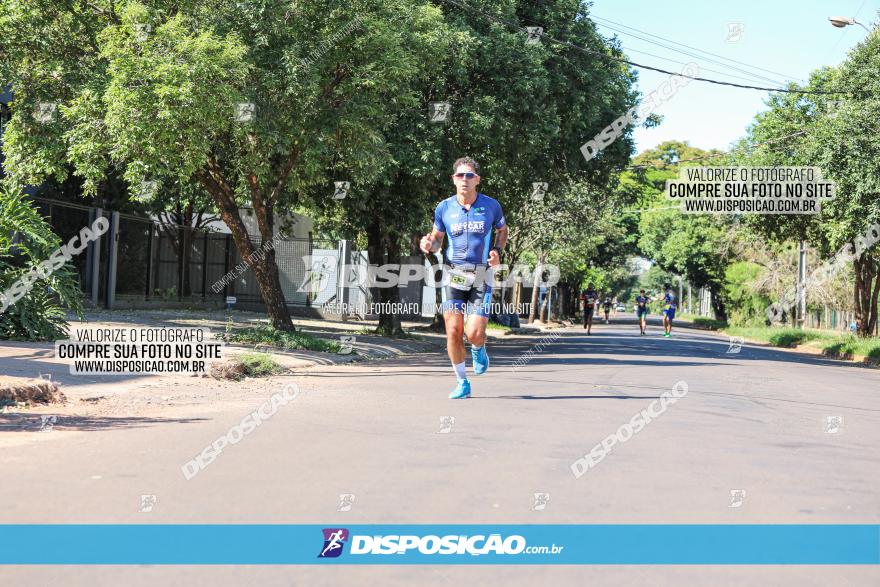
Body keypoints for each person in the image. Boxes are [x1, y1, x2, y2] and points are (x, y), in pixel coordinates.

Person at [420, 157, 508, 399]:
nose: (464, 180)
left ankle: (479, 348)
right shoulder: (444, 208)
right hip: (453, 274)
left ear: (477, 180)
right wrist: (429, 244)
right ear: (453, 180)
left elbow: (502, 230)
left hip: (481, 274)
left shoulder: (491, 206)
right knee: (453, 331)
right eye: (460, 175)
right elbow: (437, 238)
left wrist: (497, 251)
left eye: (469, 175)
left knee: (473, 334)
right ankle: (462, 382)